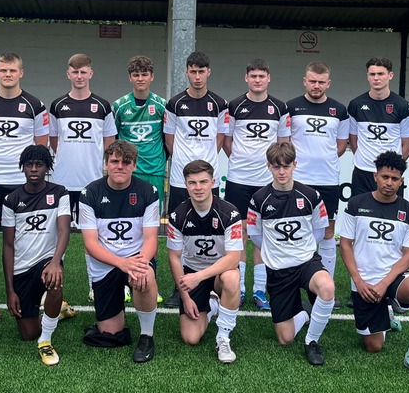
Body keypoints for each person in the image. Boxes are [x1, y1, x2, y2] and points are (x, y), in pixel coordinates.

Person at [338, 151, 409, 380]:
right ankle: (387, 315)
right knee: (374, 347)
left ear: (402, 181)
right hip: (364, 282)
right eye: (385, 177)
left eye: (394, 179)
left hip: (393, 279)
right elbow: (345, 245)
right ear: (375, 176)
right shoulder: (356, 204)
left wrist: (384, 284)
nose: (389, 183)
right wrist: (359, 282)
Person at [246, 141, 335, 366]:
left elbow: (319, 230)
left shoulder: (310, 195)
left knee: (327, 287)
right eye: (277, 167)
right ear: (269, 167)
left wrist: (302, 249)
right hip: (278, 269)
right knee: (285, 338)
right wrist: (276, 252)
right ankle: (305, 312)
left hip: (306, 262)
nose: (282, 171)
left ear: (295, 164)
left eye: (286, 166)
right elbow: (255, 235)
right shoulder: (259, 199)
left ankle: (312, 341)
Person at [79, 141, 161, 363]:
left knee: (144, 276)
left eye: (126, 162)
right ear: (106, 164)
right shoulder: (90, 193)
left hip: (136, 259)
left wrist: (140, 263)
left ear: (134, 165)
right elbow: (90, 244)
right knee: (111, 334)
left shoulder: (148, 191)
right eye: (114, 161)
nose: (120, 166)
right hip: (105, 265)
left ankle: (146, 336)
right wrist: (121, 263)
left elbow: (151, 238)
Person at [222, 58, 290, 311]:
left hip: (266, 182)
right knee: (239, 235)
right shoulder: (234, 105)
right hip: (239, 180)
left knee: (262, 235)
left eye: (262, 76)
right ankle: (238, 288)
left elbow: (284, 143)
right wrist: (242, 161)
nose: (257, 80)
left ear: (268, 78)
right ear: (246, 78)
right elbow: (227, 141)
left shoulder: (279, 107)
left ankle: (259, 290)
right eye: (253, 76)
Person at [162, 51, 226, 307]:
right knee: (180, 233)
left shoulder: (220, 104)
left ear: (208, 72)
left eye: (202, 71)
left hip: (209, 180)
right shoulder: (175, 103)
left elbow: (220, 139)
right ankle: (180, 286)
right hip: (180, 179)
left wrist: (205, 170)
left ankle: (213, 283)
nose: (197, 76)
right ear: (186, 72)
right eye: (193, 71)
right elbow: (170, 140)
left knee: (212, 232)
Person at [1, 144, 72, 366]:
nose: (34, 169)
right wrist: (10, 290)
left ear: (47, 167)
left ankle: (46, 340)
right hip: (22, 268)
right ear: (22, 168)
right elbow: (8, 245)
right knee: (27, 333)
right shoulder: (11, 200)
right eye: (29, 165)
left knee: (54, 279)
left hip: (46, 262)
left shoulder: (59, 192)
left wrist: (55, 262)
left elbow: (64, 230)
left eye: (39, 164)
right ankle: (57, 310)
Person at [167, 159, 243, 362]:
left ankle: (223, 337)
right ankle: (213, 306)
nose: (198, 187)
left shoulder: (230, 213)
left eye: (203, 181)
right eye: (192, 182)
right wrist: (185, 297)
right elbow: (174, 257)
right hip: (192, 271)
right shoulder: (177, 215)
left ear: (213, 182)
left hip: (218, 273)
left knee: (232, 277)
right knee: (190, 338)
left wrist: (198, 277)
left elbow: (234, 258)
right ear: (185, 184)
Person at [288, 61, 349, 293]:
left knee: (328, 231)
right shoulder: (291, 107)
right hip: (299, 180)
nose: (316, 85)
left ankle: (326, 284)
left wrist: (323, 158)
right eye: (312, 81)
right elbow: (285, 142)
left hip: (328, 180)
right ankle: (294, 281)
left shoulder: (339, 110)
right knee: (296, 228)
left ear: (328, 84)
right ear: (305, 81)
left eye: (321, 82)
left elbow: (341, 145)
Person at [0, 52, 50, 207]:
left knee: (19, 229)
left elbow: (40, 144)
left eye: (12, 70)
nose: (8, 74)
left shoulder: (35, 106)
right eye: (3, 70)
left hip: (20, 178)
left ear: (21, 73)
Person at [49, 53, 116, 224]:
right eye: (75, 72)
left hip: (91, 178)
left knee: (90, 228)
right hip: (62, 179)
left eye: (83, 72)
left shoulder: (103, 106)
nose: (79, 77)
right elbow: (54, 139)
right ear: (68, 74)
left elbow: (109, 140)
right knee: (61, 228)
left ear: (90, 74)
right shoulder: (57, 105)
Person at [347, 57, 409, 198]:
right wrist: (364, 159)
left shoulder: (403, 106)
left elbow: (408, 144)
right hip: (363, 172)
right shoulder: (356, 104)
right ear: (367, 77)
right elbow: (353, 141)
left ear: (390, 75)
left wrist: (391, 167)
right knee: (359, 215)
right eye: (372, 74)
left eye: (381, 74)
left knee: (391, 215)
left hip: (390, 174)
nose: (376, 78)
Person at [112, 55, 168, 213]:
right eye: (136, 75)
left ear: (152, 76)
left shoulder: (162, 105)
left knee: (152, 216)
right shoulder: (118, 106)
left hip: (155, 170)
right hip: (129, 169)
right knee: (127, 214)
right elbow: (113, 140)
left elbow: (168, 139)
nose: (140, 79)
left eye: (144, 74)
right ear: (130, 77)